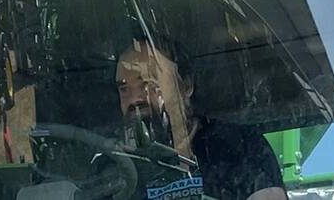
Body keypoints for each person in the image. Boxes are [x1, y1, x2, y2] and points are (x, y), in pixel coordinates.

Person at [116, 39, 287, 200]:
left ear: (187, 86)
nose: (135, 99)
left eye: (148, 83)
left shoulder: (240, 146)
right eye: (124, 89)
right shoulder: (117, 166)